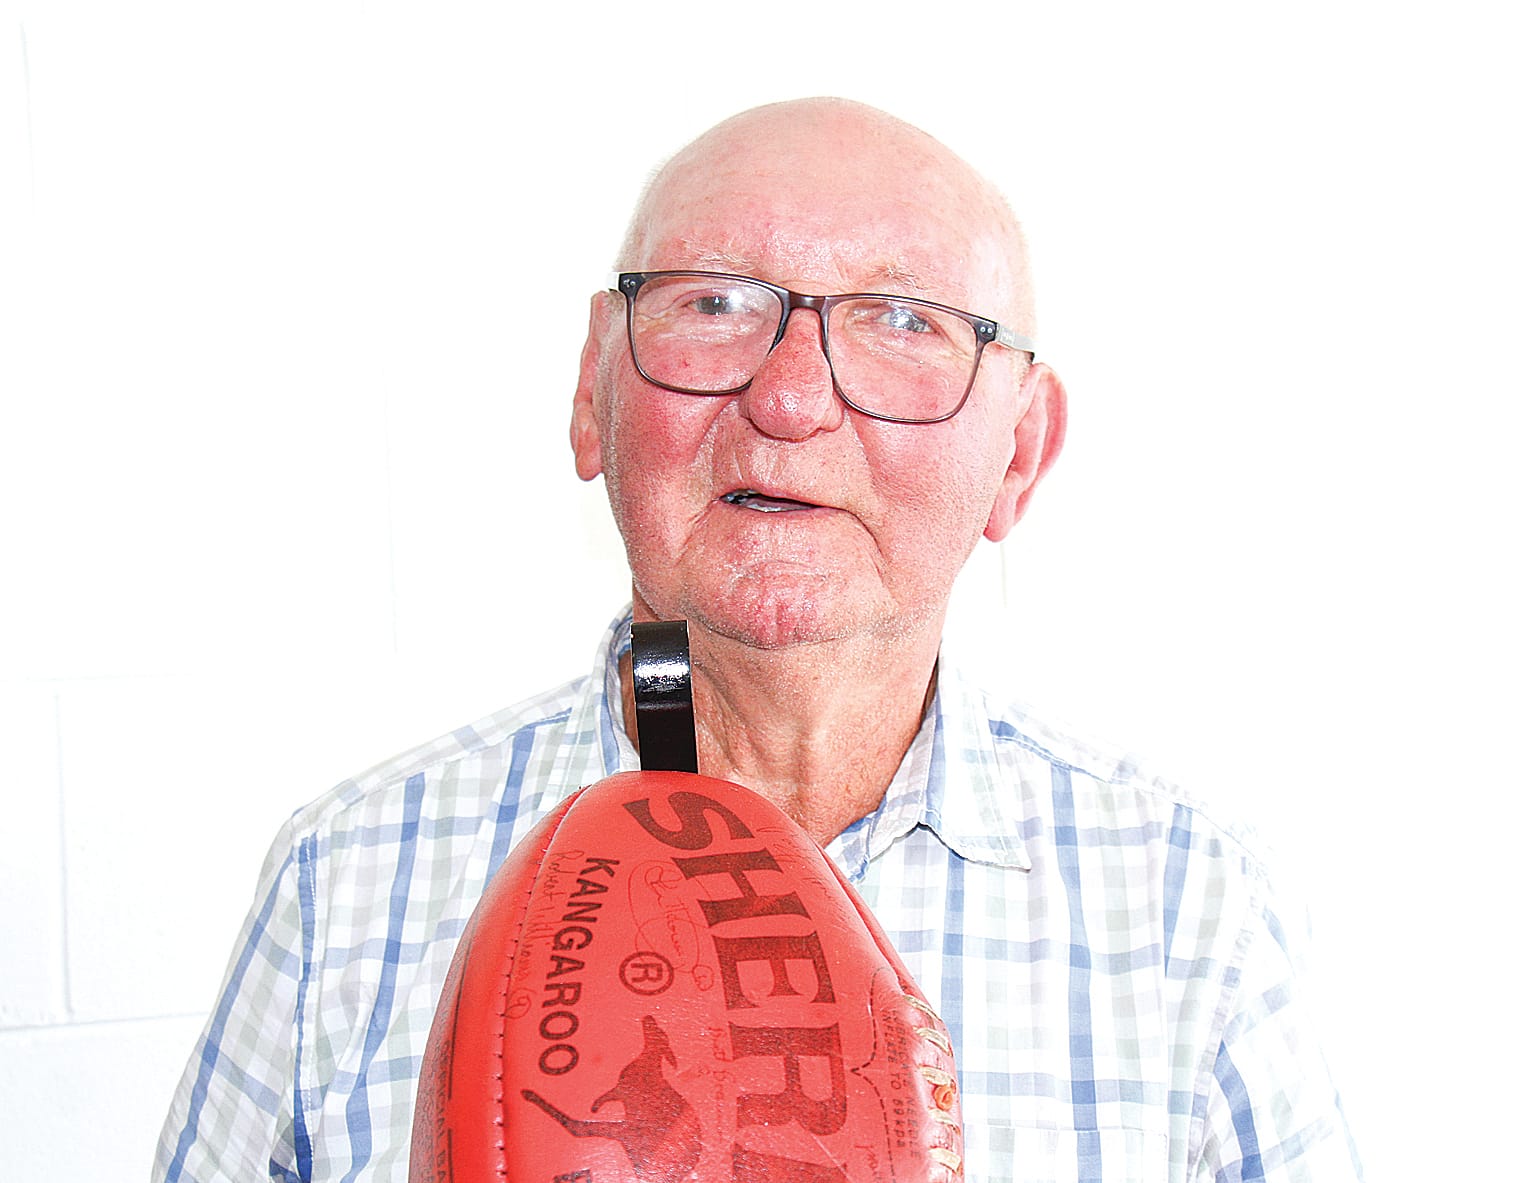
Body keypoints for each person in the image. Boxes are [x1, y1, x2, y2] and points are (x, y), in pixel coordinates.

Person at [155, 98, 1361, 1182]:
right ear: (594, 390)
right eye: (714, 304)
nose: (788, 399)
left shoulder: (1192, 909)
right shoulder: (348, 881)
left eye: (904, 320)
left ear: (1021, 454)